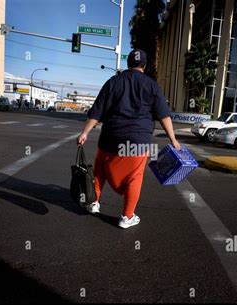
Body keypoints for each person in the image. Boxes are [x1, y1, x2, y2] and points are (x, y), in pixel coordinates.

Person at [77, 49, 181, 229]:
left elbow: (97, 111)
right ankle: (127, 216)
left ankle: (93, 202)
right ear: (145, 65)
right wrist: (173, 139)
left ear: (128, 64)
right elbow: (164, 115)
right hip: (137, 142)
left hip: (110, 138)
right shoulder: (152, 86)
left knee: (100, 170)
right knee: (134, 177)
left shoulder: (113, 82)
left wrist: (85, 132)